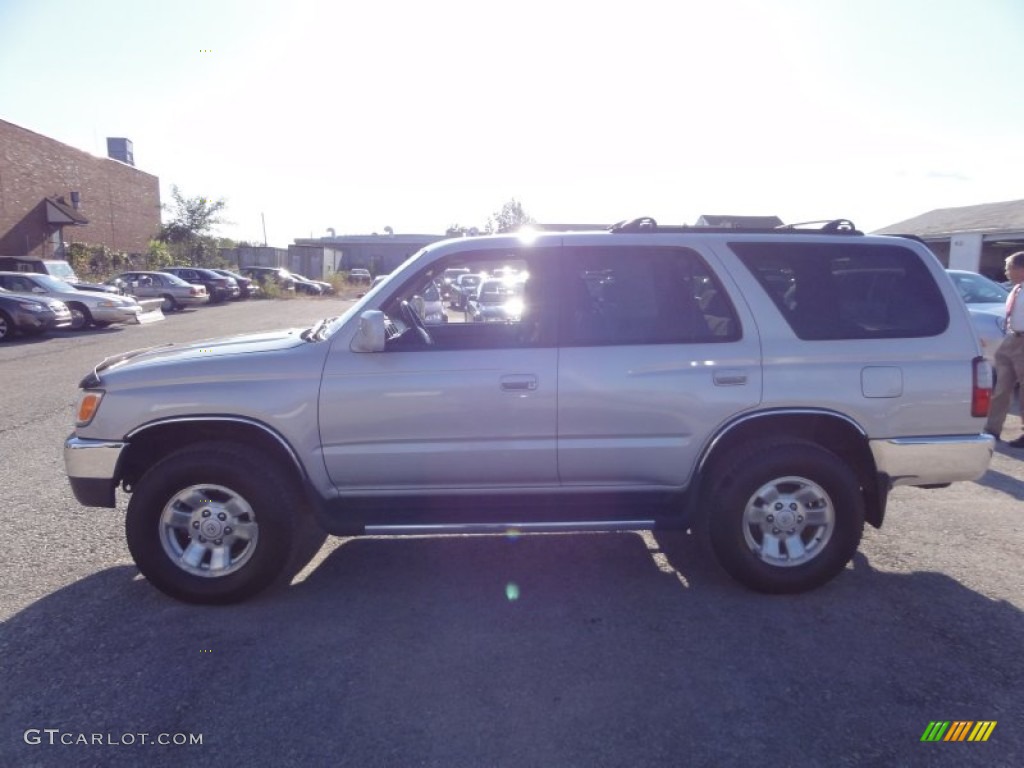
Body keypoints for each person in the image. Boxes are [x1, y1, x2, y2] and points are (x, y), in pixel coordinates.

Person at [985, 251, 1024, 448]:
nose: (1006, 272)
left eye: (1009, 267)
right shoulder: (1016, 289)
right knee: (1002, 386)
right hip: (1011, 338)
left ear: (1021, 269)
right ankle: (992, 428)